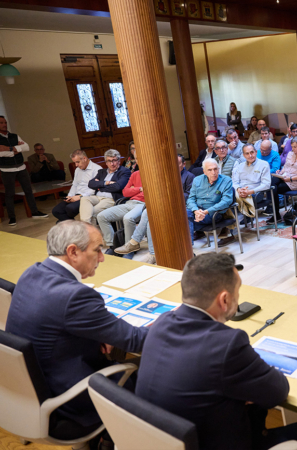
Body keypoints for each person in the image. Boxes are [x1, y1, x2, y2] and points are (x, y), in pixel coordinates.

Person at [136, 253, 297, 450]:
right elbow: (278, 392)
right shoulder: (228, 344)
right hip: (214, 441)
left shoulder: (161, 323)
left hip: (165, 439)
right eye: (237, 292)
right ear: (225, 299)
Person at [7, 221, 148, 440]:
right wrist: (175, 322)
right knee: (147, 376)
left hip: (28, 390)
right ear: (73, 252)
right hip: (68, 399)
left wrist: (95, 334)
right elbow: (135, 340)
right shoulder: (75, 297)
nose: (102, 258)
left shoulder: (32, 273)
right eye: (97, 250)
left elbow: (54, 327)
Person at [115, 155, 193, 264]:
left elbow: (188, 195)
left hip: (179, 207)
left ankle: (136, 244)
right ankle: (151, 252)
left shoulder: (189, 176)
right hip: (164, 205)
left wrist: (169, 196)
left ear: (184, 164)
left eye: (178, 163)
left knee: (149, 213)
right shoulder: (167, 175)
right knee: (150, 214)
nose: (174, 166)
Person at [0, 115, 48, 225]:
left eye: (5, 122)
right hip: (7, 170)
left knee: (28, 190)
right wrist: (17, 149)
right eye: (1, 123)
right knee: (10, 193)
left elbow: (26, 147)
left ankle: (34, 212)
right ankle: (12, 217)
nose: (4, 124)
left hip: (21, 168)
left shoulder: (14, 136)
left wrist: (9, 149)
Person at [96, 167, 145, 255]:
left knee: (128, 218)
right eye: (136, 159)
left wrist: (132, 189)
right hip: (130, 202)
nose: (138, 161)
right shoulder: (135, 174)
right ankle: (113, 245)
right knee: (101, 216)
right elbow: (125, 192)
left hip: (143, 204)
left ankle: (129, 250)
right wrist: (139, 189)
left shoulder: (154, 174)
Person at [186, 158, 234, 245]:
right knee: (181, 215)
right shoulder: (197, 180)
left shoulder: (226, 180)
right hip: (197, 211)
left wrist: (206, 212)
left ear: (218, 169)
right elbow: (191, 199)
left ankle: (188, 249)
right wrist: (196, 211)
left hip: (214, 213)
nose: (213, 172)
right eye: (210, 170)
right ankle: (187, 248)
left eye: (215, 169)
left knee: (184, 221)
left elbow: (226, 201)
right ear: (204, 172)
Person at [268, 136, 297, 223]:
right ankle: (275, 213)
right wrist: (280, 172)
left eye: (295, 147)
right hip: (285, 177)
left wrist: (291, 179)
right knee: (272, 183)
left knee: (274, 189)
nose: (293, 149)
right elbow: (286, 166)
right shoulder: (290, 154)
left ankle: (275, 214)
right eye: (292, 146)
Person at [81, 149, 131, 224]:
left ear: (119, 161)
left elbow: (117, 187)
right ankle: (87, 228)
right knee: (84, 199)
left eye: (114, 160)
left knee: (92, 213)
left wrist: (99, 186)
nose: (112, 164)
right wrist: (107, 183)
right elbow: (91, 184)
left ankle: (90, 233)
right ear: (106, 162)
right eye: (109, 161)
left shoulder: (124, 171)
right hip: (97, 197)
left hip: (110, 199)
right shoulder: (102, 172)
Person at [52, 150, 102, 223]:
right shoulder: (77, 170)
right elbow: (74, 185)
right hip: (76, 195)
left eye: (77, 162)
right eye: (74, 162)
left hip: (88, 196)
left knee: (70, 209)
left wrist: (79, 197)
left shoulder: (97, 169)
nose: (76, 165)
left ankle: (65, 223)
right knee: (56, 211)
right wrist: (69, 196)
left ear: (84, 158)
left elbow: (94, 189)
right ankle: (73, 225)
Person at [233, 144, 272, 218]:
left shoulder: (264, 164)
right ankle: (231, 225)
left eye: (252, 152)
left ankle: (248, 216)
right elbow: (235, 182)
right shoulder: (240, 166)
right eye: (247, 153)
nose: (250, 155)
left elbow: (266, 184)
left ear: (256, 152)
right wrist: (239, 189)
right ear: (244, 155)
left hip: (256, 193)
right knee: (227, 198)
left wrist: (250, 192)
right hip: (240, 192)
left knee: (241, 198)